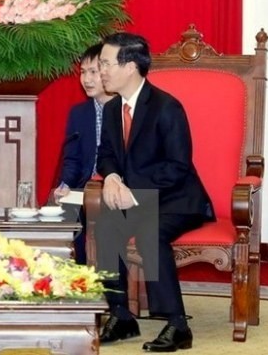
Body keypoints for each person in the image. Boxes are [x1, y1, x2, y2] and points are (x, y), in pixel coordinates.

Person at [94, 32, 214, 352]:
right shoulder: (111, 109)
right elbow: (105, 154)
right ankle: (121, 316)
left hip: (176, 198)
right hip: (137, 197)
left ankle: (177, 325)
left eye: (105, 64)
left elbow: (177, 166)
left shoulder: (166, 107)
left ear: (130, 66)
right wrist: (112, 177)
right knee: (106, 227)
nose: (100, 70)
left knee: (151, 231)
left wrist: (131, 192)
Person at [53, 43, 114, 264]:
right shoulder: (79, 113)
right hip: (84, 188)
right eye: (83, 72)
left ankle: (113, 291)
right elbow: (72, 159)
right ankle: (77, 280)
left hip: (116, 187)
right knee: (60, 212)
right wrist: (65, 183)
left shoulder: (126, 109)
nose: (86, 79)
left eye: (93, 72)